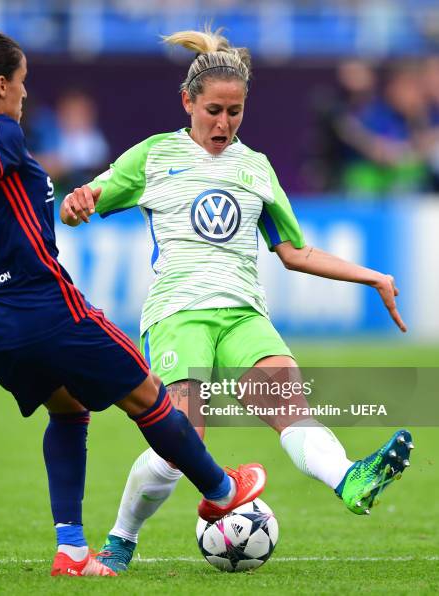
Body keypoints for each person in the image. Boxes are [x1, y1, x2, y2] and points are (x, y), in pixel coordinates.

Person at [0, 30, 267, 578]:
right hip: (42, 305)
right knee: (149, 395)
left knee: (69, 409)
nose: (25, 94)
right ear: (0, 85)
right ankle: (218, 489)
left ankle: (71, 549)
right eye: (21, 83)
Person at [61, 27, 414, 572]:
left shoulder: (256, 167)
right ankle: (120, 541)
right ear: (188, 102)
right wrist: (79, 201)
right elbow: (85, 200)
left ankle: (351, 480)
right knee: (180, 444)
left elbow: (294, 251)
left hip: (245, 315)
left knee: (292, 411)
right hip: (179, 314)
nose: (224, 123)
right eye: (214, 110)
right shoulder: (156, 155)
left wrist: (372, 276)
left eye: (235, 112)